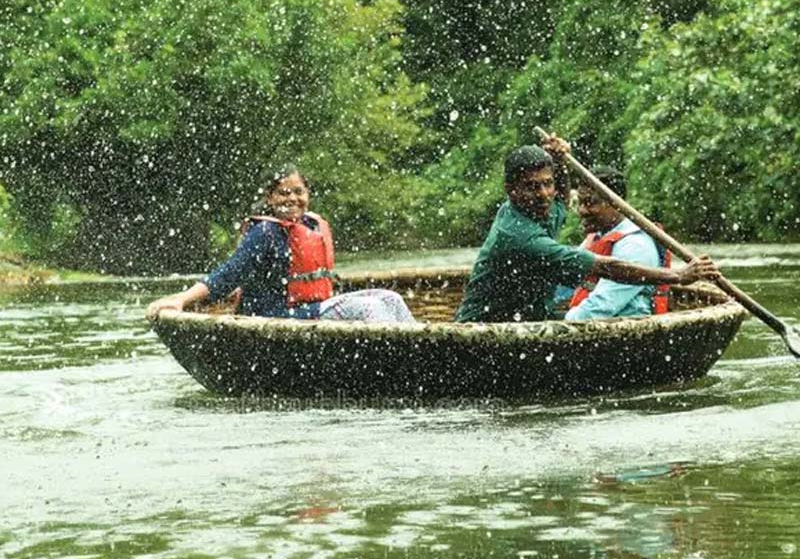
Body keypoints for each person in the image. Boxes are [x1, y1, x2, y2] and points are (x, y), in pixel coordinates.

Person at [455, 137, 719, 324]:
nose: (544, 194)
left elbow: (559, 198)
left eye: (548, 184)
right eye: (532, 186)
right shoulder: (520, 236)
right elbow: (607, 268)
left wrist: (559, 161)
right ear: (511, 190)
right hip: (487, 329)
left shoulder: (537, 210)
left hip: (522, 322)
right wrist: (678, 276)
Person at [146, 165, 415, 323]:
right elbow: (226, 276)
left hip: (311, 309)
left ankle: (419, 350)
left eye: (299, 192)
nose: (292, 199)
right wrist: (181, 299)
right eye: (283, 193)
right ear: (270, 198)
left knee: (389, 298)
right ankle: (400, 360)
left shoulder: (311, 225)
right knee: (370, 308)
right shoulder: (265, 233)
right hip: (276, 315)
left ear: (308, 194)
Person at [564, 166, 669, 321]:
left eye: (590, 203)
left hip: (627, 335)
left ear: (615, 203)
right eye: (580, 203)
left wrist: (561, 324)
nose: (581, 210)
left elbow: (602, 306)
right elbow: (565, 274)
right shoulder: (598, 235)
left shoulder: (634, 245)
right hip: (594, 327)